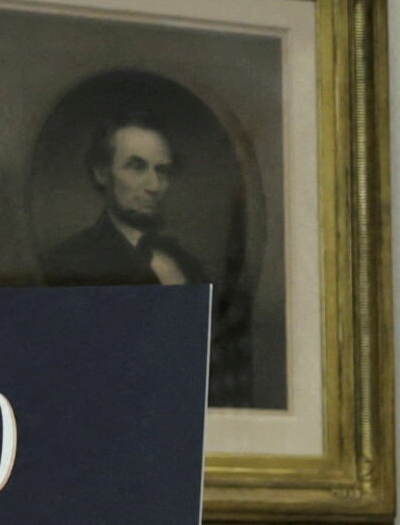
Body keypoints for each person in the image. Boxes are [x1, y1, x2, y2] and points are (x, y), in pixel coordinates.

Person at [35, 113, 253, 405]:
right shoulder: (67, 264)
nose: (154, 185)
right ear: (102, 173)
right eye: (136, 167)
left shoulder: (187, 264)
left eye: (162, 170)